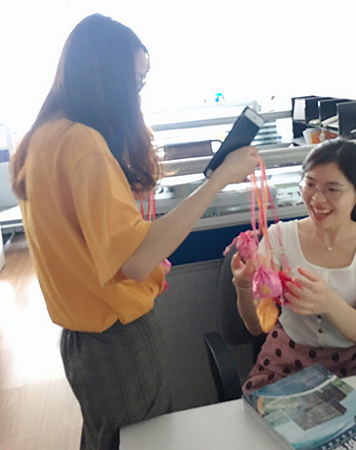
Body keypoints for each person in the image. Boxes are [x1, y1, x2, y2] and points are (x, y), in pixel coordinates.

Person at [10, 13, 258, 450]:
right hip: (116, 337)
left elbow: (90, 236)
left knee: (108, 437)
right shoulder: (84, 145)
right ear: (106, 76)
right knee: (140, 440)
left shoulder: (41, 137)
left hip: (82, 339)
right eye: (136, 80)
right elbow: (138, 260)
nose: (137, 92)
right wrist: (219, 179)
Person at [231, 139, 356, 394]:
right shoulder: (279, 237)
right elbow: (255, 327)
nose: (317, 199)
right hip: (283, 362)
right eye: (310, 184)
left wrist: (328, 303)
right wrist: (243, 285)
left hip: (349, 369)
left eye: (333, 189)